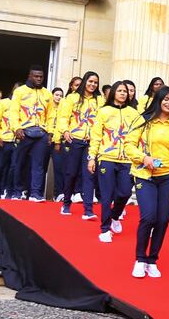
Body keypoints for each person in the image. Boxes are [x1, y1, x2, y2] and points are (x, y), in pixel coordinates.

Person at [127, 86, 169, 278]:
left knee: (162, 220)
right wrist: (144, 158)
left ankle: (152, 260)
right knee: (148, 217)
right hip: (145, 175)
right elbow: (128, 146)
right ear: (158, 100)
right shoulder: (144, 120)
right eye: (166, 99)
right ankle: (140, 258)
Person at [87, 81, 141, 243]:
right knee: (107, 195)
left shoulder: (134, 113)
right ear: (113, 93)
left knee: (125, 192)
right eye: (120, 91)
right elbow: (96, 136)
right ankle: (104, 229)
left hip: (127, 160)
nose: (123, 93)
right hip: (106, 158)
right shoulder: (104, 111)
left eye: (125, 91)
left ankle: (115, 215)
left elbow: (139, 138)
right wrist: (92, 157)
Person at [56, 71, 101, 219]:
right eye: (90, 81)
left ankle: (88, 210)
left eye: (95, 82)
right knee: (71, 173)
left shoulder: (100, 100)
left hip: (90, 142)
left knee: (89, 175)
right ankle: (66, 204)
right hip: (73, 140)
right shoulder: (72, 97)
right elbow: (63, 117)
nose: (92, 85)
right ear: (84, 82)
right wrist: (65, 130)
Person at [10, 66, 53, 202]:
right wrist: (16, 128)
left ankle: (35, 193)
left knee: (39, 165)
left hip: (41, 132)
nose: (39, 79)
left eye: (41, 76)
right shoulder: (20, 91)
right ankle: (17, 192)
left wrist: (50, 132)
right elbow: (13, 112)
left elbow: (51, 115)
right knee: (19, 163)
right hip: (24, 132)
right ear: (30, 76)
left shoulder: (47, 93)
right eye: (36, 76)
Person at [0, 84, 20, 199]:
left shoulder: (22, 104)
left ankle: (9, 191)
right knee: (0, 167)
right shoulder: (3, 102)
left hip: (16, 141)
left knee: (14, 167)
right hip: (3, 140)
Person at [47, 87, 66, 201]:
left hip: (57, 142)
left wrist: (57, 140)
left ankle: (58, 193)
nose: (58, 97)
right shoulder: (47, 107)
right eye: (57, 95)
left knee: (59, 168)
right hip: (45, 139)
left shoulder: (64, 108)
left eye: (61, 95)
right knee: (40, 167)